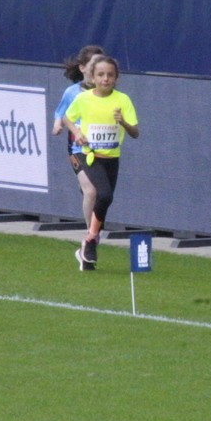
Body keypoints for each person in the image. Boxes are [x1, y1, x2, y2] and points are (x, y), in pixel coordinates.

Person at [63, 56, 140, 271]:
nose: (105, 79)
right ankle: (91, 239)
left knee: (104, 202)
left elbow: (135, 132)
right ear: (93, 77)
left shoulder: (122, 100)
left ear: (116, 78)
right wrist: (77, 132)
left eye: (110, 75)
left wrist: (122, 121)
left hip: (111, 158)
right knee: (103, 194)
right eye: (101, 75)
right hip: (89, 155)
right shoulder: (83, 99)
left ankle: (87, 250)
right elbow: (67, 117)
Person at [52, 45, 105, 227]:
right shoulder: (72, 92)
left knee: (100, 193)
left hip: (100, 149)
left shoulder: (105, 92)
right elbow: (61, 112)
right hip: (77, 149)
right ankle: (91, 234)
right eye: (94, 63)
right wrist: (57, 125)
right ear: (82, 68)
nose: (98, 67)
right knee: (90, 191)